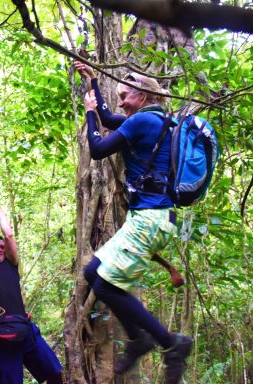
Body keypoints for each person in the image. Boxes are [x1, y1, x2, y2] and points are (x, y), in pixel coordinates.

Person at [74, 61, 192, 383]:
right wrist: (95, 82)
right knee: (91, 272)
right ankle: (139, 338)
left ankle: (170, 343)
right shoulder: (156, 120)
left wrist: (88, 112)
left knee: (105, 286)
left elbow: (98, 149)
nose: (121, 101)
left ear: (141, 95)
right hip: (150, 218)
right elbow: (111, 119)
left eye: (125, 96)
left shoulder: (141, 121)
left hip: (150, 220)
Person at [0, 192, 63, 384]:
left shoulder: (11, 265)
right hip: (1, 336)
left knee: (54, 371)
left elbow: (9, 234)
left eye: (2, 247)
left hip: (25, 329)